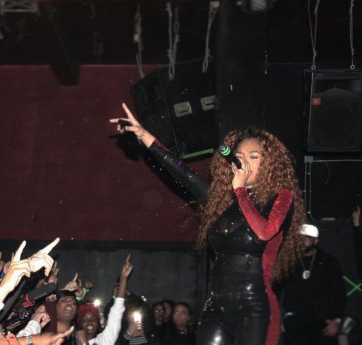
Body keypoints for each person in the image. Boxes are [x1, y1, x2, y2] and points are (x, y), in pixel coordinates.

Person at [110, 103, 306, 345]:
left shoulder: (281, 197)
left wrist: (242, 191)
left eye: (254, 157)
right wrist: (144, 136)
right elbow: (182, 172)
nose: (246, 162)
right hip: (216, 304)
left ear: (268, 164)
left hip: (254, 304)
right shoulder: (221, 202)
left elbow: (264, 232)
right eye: (241, 156)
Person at [277, 224, 345, 345]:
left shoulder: (328, 262)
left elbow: (339, 292)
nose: (303, 242)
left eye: (307, 238)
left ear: (316, 240)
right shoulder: (287, 261)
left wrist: (337, 320)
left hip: (322, 322)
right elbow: (276, 291)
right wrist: (278, 319)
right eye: (300, 238)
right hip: (294, 322)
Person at [75, 254, 133, 345]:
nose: (90, 322)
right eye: (85, 320)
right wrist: (78, 298)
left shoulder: (104, 340)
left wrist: (123, 278)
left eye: (93, 319)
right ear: (80, 324)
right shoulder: (69, 341)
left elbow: (117, 310)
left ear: (98, 322)